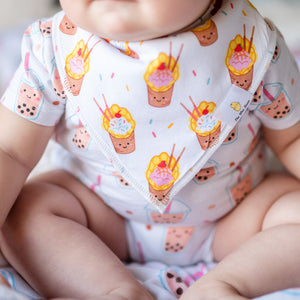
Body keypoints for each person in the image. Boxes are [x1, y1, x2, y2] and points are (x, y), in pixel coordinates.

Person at [0, 0, 299, 299]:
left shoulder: (253, 45)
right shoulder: (54, 48)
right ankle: (112, 290)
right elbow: (10, 151)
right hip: (99, 215)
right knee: (24, 211)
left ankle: (226, 284)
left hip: (233, 217)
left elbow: (291, 139)